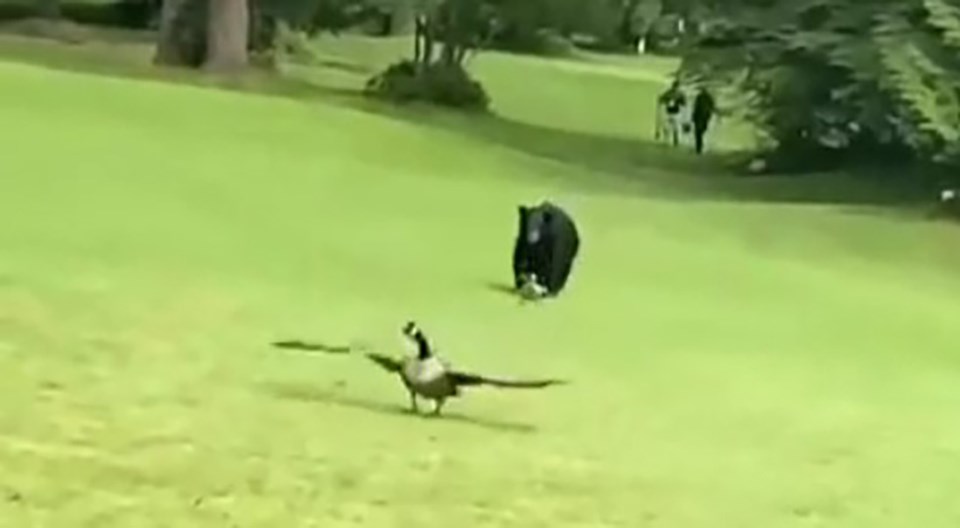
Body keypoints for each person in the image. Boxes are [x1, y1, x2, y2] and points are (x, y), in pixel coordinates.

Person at [658, 81, 687, 146]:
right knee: (666, 126)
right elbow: (662, 99)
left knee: (675, 127)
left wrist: (681, 102)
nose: (675, 88)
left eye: (676, 86)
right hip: (669, 112)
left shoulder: (680, 94)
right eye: (675, 86)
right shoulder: (669, 93)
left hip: (676, 112)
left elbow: (684, 103)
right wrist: (661, 99)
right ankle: (667, 139)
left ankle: (675, 140)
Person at [691, 87, 716, 155]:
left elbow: (712, 106)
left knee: (700, 131)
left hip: (703, 116)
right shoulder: (701, 97)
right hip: (701, 116)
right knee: (699, 132)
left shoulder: (707, 97)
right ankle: (699, 147)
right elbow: (696, 106)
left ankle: (699, 146)